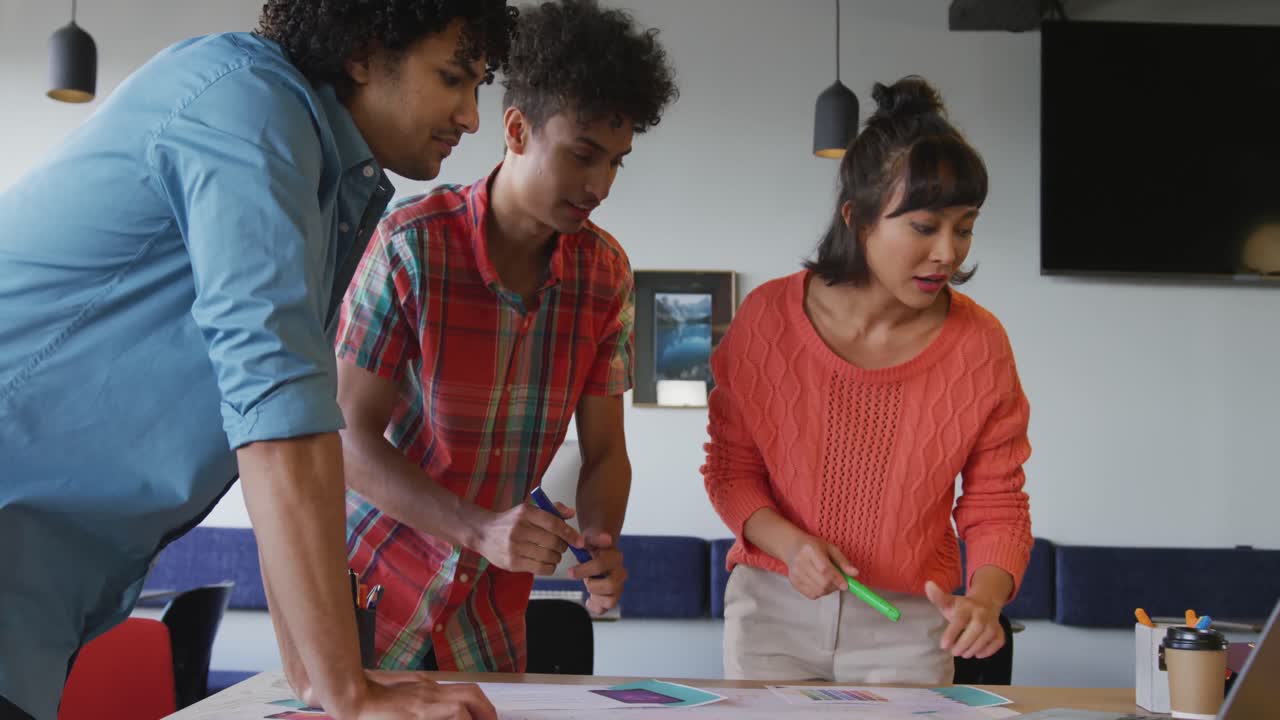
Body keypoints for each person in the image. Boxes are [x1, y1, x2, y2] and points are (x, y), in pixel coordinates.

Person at [0, 2, 516, 718]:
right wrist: (346, 692)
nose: (470, 116)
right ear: (364, 53)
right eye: (454, 78)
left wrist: (319, 678)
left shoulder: (321, 168)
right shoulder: (250, 108)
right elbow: (278, 417)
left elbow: (284, 432)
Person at [335, 0, 677, 672]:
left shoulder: (605, 275)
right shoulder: (411, 246)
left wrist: (601, 538)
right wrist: (478, 527)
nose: (600, 185)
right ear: (517, 130)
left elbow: (606, 452)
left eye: (617, 162)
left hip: (488, 615)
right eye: (583, 155)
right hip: (370, 586)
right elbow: (346, 437)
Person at [702, 76, 1033, 685]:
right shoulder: (768, 320)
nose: (948, 252)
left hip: (910, 624)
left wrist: (985, 601)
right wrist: (791, 545)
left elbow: (996, 503)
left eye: (964, 226)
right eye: (925, 226)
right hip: (773, 608)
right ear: (857, 219)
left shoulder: (980, 345)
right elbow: (731, 471)